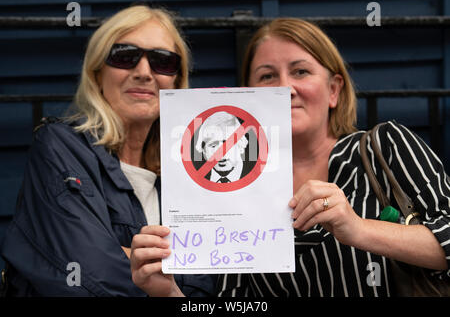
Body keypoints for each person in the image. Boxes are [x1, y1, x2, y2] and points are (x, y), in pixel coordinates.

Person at [130, 18, 450, 297]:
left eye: (300, 71)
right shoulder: (233, 188)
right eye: (267, 76)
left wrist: (358, 229)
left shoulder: (384, 146)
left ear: (334, 90)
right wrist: (167, 291)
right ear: (249, 95)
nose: (285, 88)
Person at [0, 5, 216, 296]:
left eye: (162, 61)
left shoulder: (192, 173)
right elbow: (91, 276)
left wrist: (129, 256)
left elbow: (208, 288)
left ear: (177, 80)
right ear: (97, 73)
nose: (144, 72)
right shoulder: (59, 147)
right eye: (125, 56)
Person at [194, 111, 250, 183]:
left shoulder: (256, 176)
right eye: (213, 145)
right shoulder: (197, 181)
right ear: (204, 150)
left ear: (241, 145)